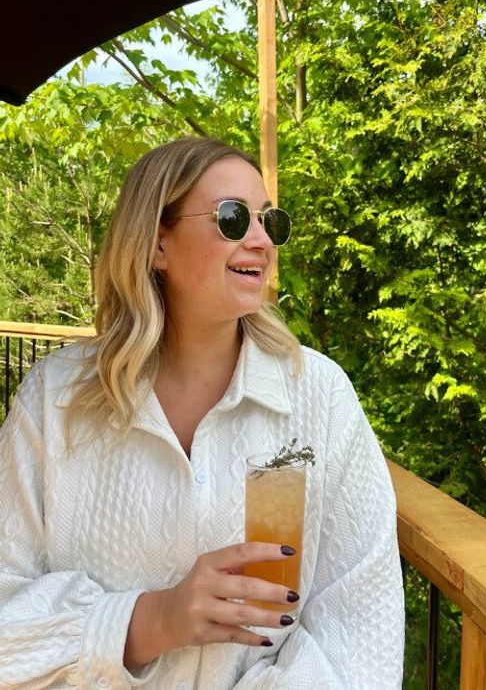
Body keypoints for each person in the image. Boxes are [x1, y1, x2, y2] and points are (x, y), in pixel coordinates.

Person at [0, 138, 404, 687]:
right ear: (156, 244)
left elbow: (360, 630)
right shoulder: (55, 399)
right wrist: (150, 621)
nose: (261, 240)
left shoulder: (319, 397)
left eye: (270, 221)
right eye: (232, 218)